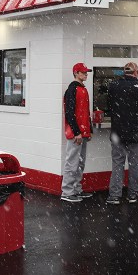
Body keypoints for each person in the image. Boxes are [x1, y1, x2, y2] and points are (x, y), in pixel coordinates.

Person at [106, 62, 138, 204]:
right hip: (137, 133)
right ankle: (133, 194)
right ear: (136, 72)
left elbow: (109, 106)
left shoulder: (113, 86)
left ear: (124, 72)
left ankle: (114, 195)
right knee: (134, 164)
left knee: (117, 163)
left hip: (118, 133)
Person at [61, 62, 94, 203]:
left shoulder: (82, 89)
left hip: (83, 132)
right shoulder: (72, 89)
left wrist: (89, 130)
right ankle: (67, 191)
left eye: (86, 72)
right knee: (72, 162)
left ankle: (76, 189)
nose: (86, 74)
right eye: (83, 72)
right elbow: (69, 113)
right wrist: (76, 132)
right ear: (76, 73)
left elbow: (85, 113)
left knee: (80, 162)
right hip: (77, 133)